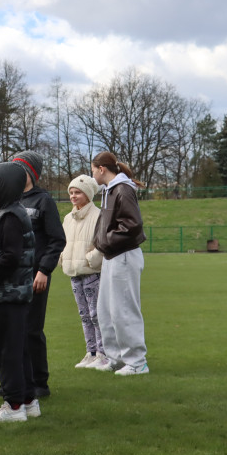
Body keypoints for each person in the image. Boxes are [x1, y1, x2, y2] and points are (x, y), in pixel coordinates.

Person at [0, 151, 65, 399]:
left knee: (31, 329)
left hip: (35, 276)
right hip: (9, 277)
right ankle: (11, 383)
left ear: (30, 173)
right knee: (9, 332)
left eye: (19, 168)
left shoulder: (44, 201)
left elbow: (57, 239)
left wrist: (44, 270)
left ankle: (39, 383)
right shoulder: (7, 200)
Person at [0, 161, 38, 422]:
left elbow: (10, 256)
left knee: (6, 349)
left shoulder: (10, 216)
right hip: (15, 293)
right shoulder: (13, 212)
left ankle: (13, 406)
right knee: (18, 348)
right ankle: (28, 400)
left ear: (5, 187)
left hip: (9, 294)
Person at [89, 152, 149, 376]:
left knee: (124, 310)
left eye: (93, 170)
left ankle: (137, 361)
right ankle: (116, 358)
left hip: (123, 255)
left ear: (102, 169)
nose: (92, 175)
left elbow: (132, 225)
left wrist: (105, 241)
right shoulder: (110, 190)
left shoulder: (123, 189)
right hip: (112, 255)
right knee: (106, 310)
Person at [59, 174, 105, 368]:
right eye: (71, 192)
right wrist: (63, 258)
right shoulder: (68, 218)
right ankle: (91, 351)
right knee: (84, 315)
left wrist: (91, 259)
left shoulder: (99, 215)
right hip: (74, 273)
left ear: (87, 194)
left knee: (96, 315)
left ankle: (102, 353)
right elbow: (62, 241)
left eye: (77, 192)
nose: (73, 196)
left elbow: (103, 242)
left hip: (92, 272)